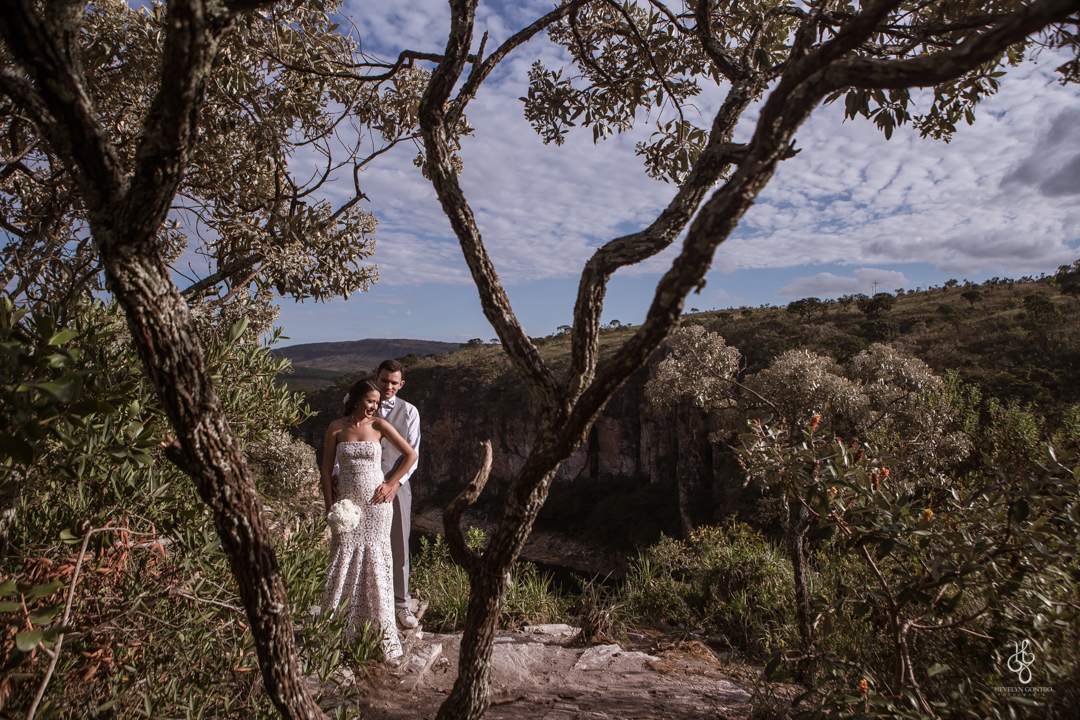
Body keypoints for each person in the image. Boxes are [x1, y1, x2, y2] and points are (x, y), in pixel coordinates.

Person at [321, 378, 417, 661]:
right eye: (370, 401)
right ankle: (338, 632)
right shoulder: (336, 427)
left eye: (377, 402)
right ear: (357, 399)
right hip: (348, 507)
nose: (374, 406)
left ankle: (377, 631)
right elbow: (326, 471)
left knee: (376, 560)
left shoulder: (379, 426)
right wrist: (331, 508)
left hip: (376, 506)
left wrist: (392, 484)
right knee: (342, 559)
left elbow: (410, 454)